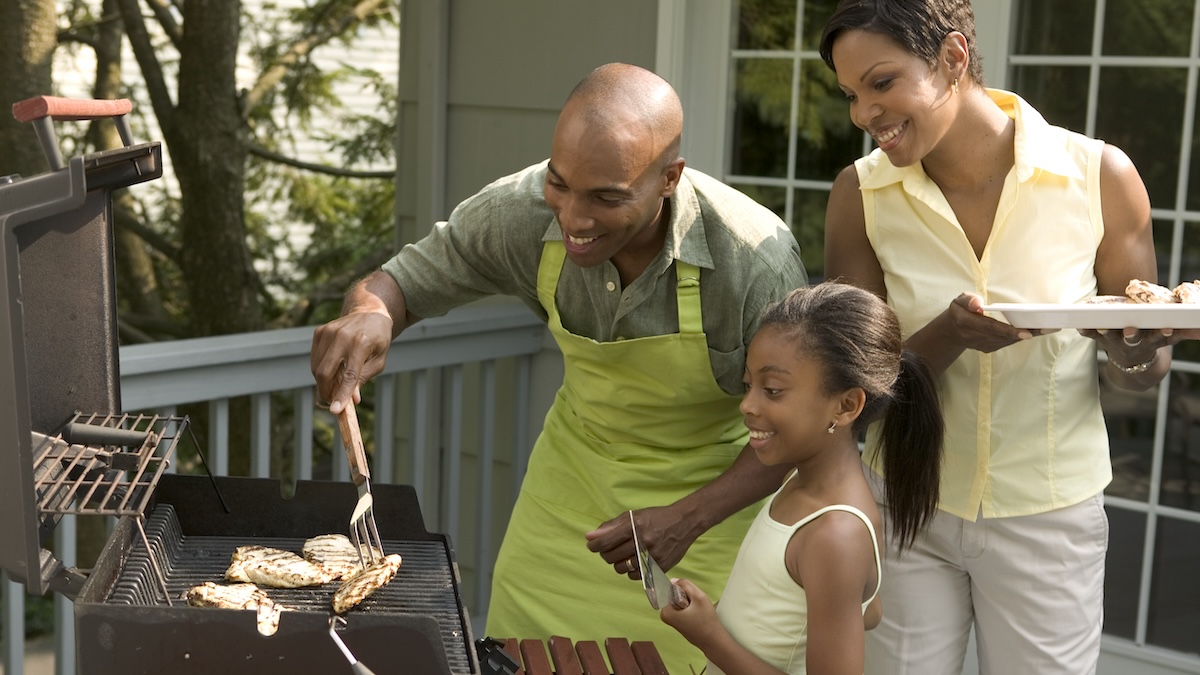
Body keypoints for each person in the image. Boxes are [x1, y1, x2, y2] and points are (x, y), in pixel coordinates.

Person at [310, 62, 808, 672]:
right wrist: (371, 314)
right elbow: (399, 283)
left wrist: (689, 518)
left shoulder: (752, 259)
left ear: (669, 179)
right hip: (565, 507)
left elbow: (798, 426)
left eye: (607, 197)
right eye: (560, 183)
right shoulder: (522, 213)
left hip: (705, 519)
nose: (573, 218)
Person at [818, 1, 1173, 673]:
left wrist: (1132, 345)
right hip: (906, 506)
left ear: (953, 59)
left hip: (1049, 515)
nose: (864, 113)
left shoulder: (1100, 178)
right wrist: (948, 335)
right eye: (851, 94)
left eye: (882, 83)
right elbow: (853, 380)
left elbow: (1143, 363)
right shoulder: (858, 194)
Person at [661, 282, 944, 675]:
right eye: (749, 386)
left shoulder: (835, 532)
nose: (747, 405)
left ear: (846, 406)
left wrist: (710, 635)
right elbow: (870, 609)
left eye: (772, 390)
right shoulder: (801, 481)